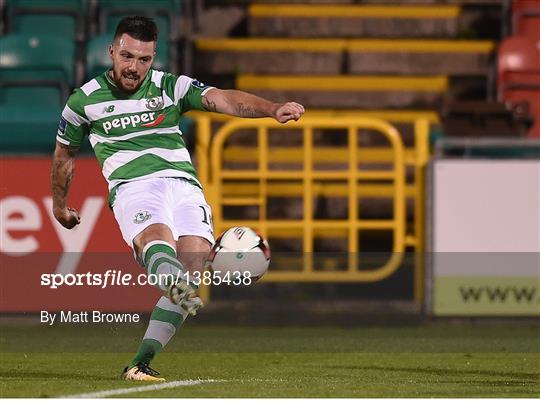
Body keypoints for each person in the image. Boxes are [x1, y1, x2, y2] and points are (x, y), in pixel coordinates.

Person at [50, 16, 304, 381]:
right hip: (134, 185)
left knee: (194, 270)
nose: (134, 67)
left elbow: (220, 98)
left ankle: (140, 363)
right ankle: (172, 282)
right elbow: (64, 156)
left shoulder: (170, 86)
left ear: (153, 58)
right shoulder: (83, 101)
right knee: (157, 241)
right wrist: (59, 205)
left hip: (185, 186)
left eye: (144, 59)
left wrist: (271, 109)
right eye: (127, 56)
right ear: (111, 52)